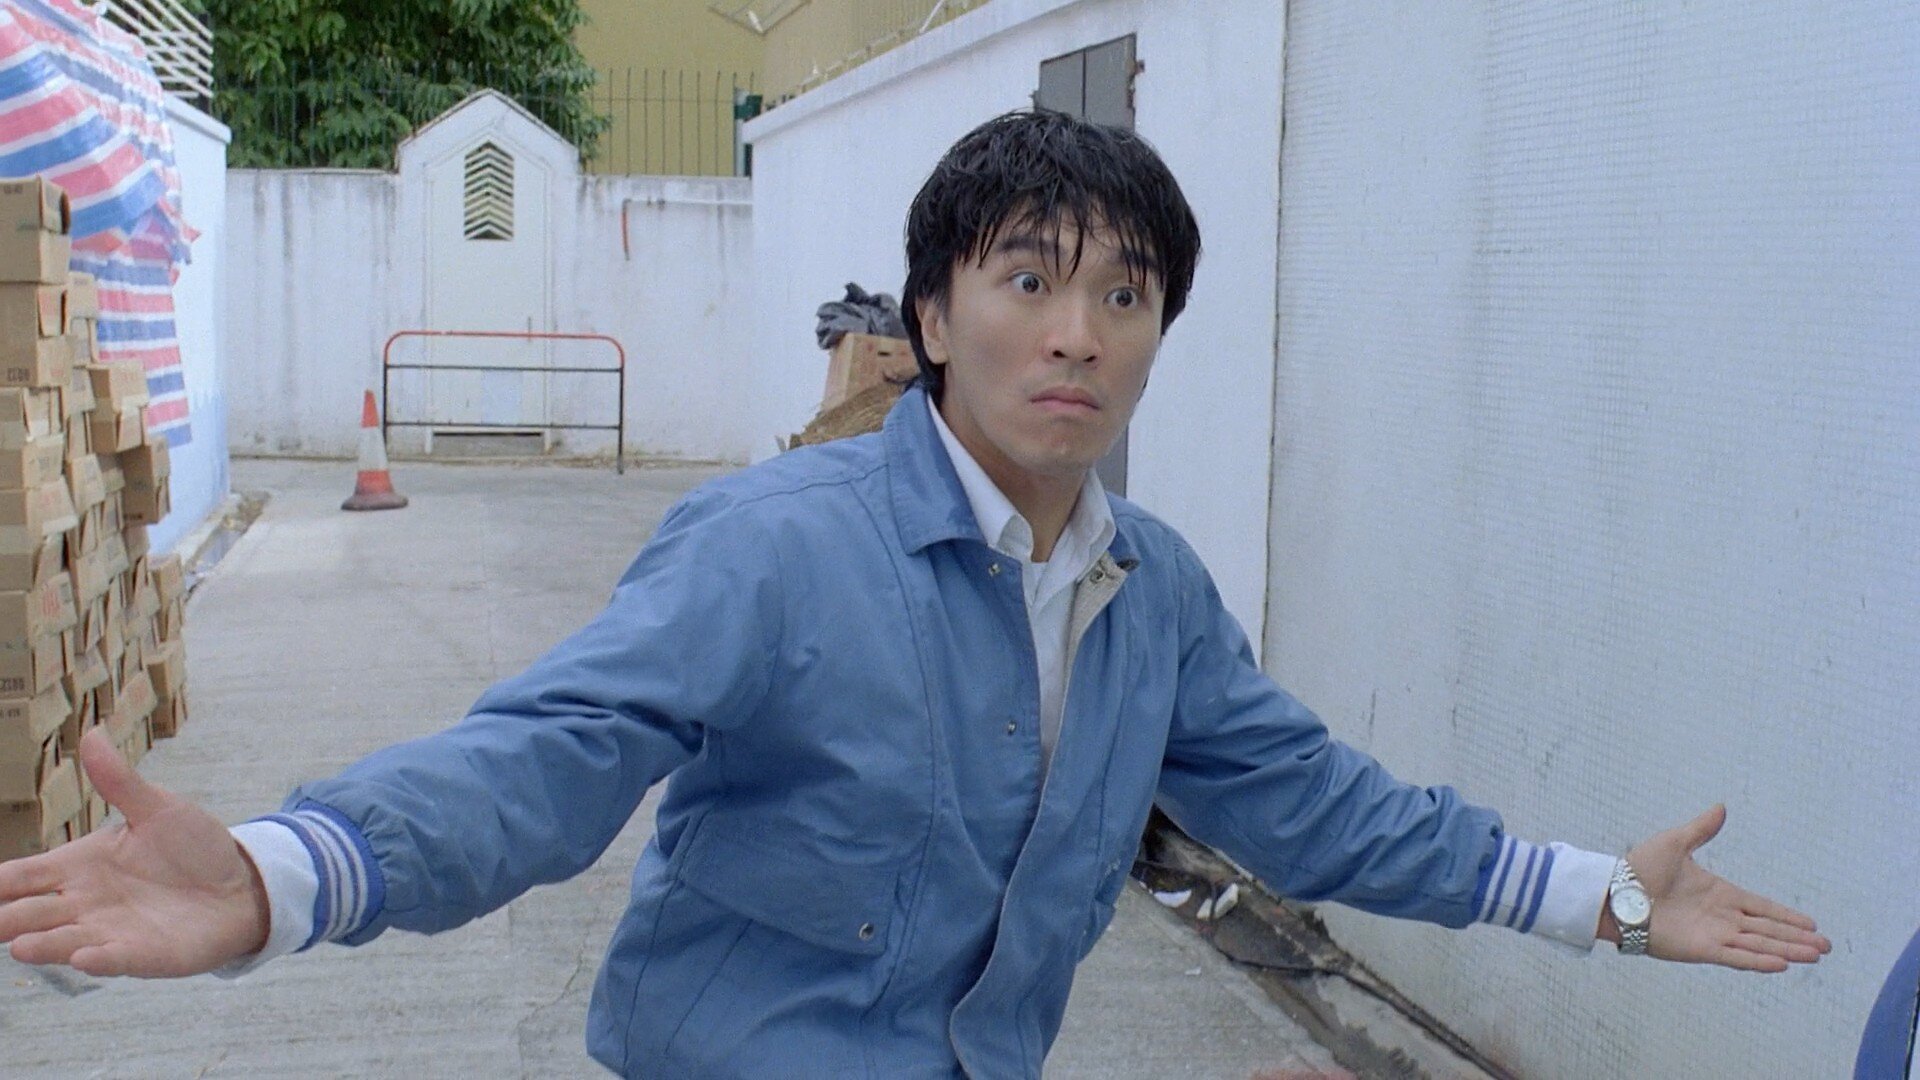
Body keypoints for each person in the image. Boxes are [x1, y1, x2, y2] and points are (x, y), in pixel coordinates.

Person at [0, 111, 1829, 1078]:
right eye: (1029, 280)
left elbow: (1323, 808)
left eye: (1126, 295)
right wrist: (285, 873)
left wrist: (1603, 899)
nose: (1077, 332)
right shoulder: (774, 544)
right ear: (933, 315)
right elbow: (548, 756)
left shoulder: (1149, 596)